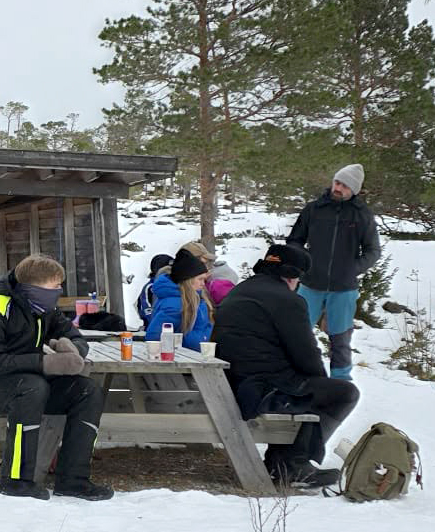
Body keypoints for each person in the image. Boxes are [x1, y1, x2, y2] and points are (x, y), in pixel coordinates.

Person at [0, 254, 112, 502]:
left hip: (29, 381)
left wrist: (71, 348)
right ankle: (16, 481)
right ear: (33, 288)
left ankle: (74, 481)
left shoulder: (44, 308)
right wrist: (45, 363)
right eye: (55, 286)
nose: (59, 291)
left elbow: (74, 335)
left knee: (87, 390)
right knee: (33, 388)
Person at [210, 242, 357, 489]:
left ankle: (282, 461)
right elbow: (306, 354)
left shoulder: (240, 290)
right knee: (343, 394)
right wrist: (321, 384)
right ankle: (293, 462)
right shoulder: (288, 300)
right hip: (261, 387)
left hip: (233, 380)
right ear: (292, 277)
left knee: (306, 390)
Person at [286, 163, 381, 381]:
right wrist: (304, 261)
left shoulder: (362, 214)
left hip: (343, 288)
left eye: (345, 186)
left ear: (353, 190)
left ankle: (341, 381)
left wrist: (352, 270)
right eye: (337, 182)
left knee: (340, 339)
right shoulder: (314, 209)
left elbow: (373, 251)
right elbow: (295, 240)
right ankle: (295, 375)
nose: (338, 188)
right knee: (297, 334)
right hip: (310, 284)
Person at [144, 247, 212, 350]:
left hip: (195, 354)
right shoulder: (175, 305)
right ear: (187, 280)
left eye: (204, 279)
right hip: (182, 356)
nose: (203, 283)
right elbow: (154, 337)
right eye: (200, 279)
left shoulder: (196, 299)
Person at [135, 253, 173, 323]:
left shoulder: (175, 286)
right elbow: (146, 308)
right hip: (154, 325)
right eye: (168, 270)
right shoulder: (150, 287)